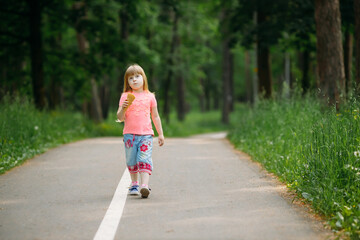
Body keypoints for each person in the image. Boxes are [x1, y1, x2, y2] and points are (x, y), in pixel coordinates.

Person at [117, 64, 165, 198]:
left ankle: (144, 186)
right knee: (131, 160)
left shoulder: (150, 96)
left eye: (137, 76)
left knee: (144, 158)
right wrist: (123, 108)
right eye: (130, 78)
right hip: (129, 135)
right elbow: (120, 117)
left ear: (144, 78)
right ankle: (134, 184)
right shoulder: (125, 96)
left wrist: (160, 133)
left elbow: (155, 116)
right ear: (127, 82)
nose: (134, 80)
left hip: (146, 135)